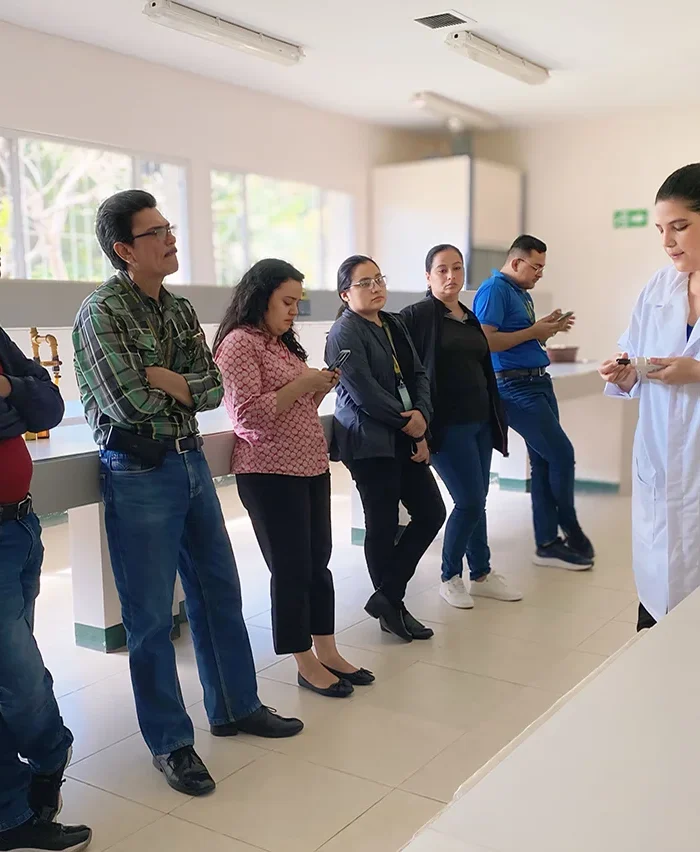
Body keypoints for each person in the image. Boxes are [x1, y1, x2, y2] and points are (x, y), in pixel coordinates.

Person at [73, 191, 302, 799]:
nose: (170, 238)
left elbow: (208, 391)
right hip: (138, 473)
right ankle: (171, 743)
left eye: (169, 227)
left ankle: (234, 707)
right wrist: (180, 386)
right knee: (149, 620)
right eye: (156, 232)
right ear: (124, 250)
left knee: (219, 592)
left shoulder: (176, 310)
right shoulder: (101, 313)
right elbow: (127, 402)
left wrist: (173, 382)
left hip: (192, 465)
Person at [214, 258, 373, 697]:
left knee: (317, 562)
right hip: (268, 472)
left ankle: (328, 649)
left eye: (297, 303)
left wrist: (316, 385)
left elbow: (289, 404)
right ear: (259, 297)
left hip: (309, 466)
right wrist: (303, 386)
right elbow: (247, 418)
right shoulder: (238, 345)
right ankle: (303, 660)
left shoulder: (280, 344)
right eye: (286, 301)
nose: (292, 311)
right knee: (291, 568)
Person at [0, 322, 92, 851]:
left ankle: (12, 813)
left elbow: (50, 407)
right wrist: (14, 411)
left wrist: (8, 389)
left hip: (19, 529)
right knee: (20, 676)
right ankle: (47, 761)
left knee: (12, 675)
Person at [600, 163, 700, 631]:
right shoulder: (659, 288)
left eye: (680, 227)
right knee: (660, 588)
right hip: (660, 458)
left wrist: (697, 372)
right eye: (661, 229)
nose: (668, 242)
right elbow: (635, 354)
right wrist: (624, 374)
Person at [326, 255, 446, 642]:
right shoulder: (343, 333)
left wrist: (422, 419)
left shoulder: (394, 323)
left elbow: (419, 374)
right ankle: (392, 609)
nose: (376, 287)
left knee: (431, 512)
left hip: (406, 431)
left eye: (379, 279)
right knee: (382, 524)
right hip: (369, 440)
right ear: (345, 294)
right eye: (364, 283)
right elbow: (362, 392)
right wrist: (406, 421)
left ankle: (387, 596)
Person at [400, 245, 521, 609]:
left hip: (480, 422)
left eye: (457, 268)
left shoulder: (468, 317)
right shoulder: (417, 316)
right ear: (428, 276)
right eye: (441, 270)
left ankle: (481, 574)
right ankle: (450, 576)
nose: (451, 276)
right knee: (468, 500)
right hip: (446, 427)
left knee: (477, 500)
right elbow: (405, 370)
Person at [473, 236, 595, 571]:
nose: (540, 274)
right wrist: (533, 332)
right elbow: (485, 341)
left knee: (543, 462)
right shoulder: (494, 289)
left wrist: (544, 330)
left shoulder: (519, 293)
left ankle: (547, 543)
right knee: (561, 454)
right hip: (515, 387)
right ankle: (570, 529)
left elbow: (519, 337)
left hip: (537, 380)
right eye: (536, 267)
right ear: (516, 262)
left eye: (543, 267)